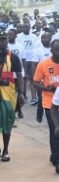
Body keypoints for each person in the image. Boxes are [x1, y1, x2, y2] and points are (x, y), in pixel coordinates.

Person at [33, 40, 59, 173]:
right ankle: (58, 160)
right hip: (50, 104)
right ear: (51, 51)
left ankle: (54, 154)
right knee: (55, 130)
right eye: (57, 50)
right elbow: (36, 82)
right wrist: (46, 88)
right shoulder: (43, 64)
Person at [0, 30, 24, 161]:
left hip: (8, 95)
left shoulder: (13, 58)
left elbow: (19, 75)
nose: (1, 42)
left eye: (3, 39)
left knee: (8, 121)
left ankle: (5, 150)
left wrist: (21, 93)